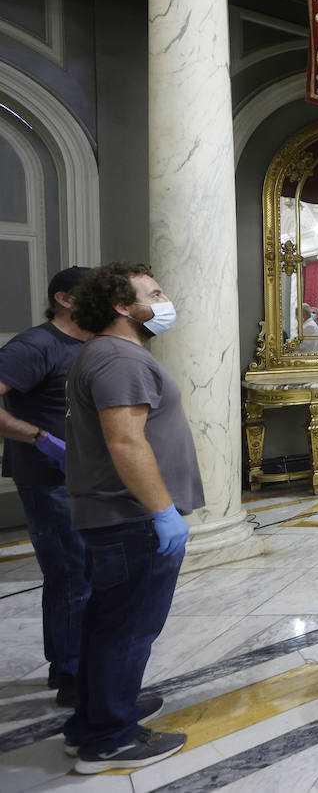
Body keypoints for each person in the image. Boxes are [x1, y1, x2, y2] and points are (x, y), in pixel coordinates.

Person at [63, 262, 203, 772]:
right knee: (128, 630)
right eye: (155, 293)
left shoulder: (104, 354)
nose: (164, 301)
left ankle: (95, 719)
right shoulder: (120, 358)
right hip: (131, 518)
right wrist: (162, 511)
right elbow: (126, 441)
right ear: (124, 306)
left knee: (110, 623)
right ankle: (112, 738)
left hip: (119, 516)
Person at [0, 267, 91, 706]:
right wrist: (39, 437)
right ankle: (73, 677)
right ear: (65, 299)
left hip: (88, 479)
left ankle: (69, 666)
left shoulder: (89, 343)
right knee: (71, 576)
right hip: (49, 479)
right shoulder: (34, 346)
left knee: (83, 575)